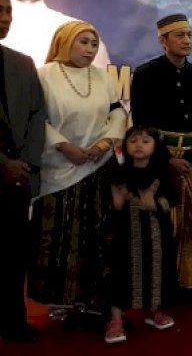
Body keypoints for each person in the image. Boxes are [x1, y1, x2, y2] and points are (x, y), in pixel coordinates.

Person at [28, 20, 126, 320]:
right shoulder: (44, 76)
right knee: (58, 235)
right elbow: (36, 119)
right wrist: (63, 146)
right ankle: (58, 300)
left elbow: (118, 112)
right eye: (83, 42)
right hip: (58, 168)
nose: (90, 49)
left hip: (98, 164)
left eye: (93, 44)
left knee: (96, 236)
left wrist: (105, 142)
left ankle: (90, 298)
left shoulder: (102, 77)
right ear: (64, 42)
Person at [130, 13, 192, 294]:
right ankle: (162, 286)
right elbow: (141, 123)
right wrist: (167, 160)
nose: (186, 41)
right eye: (179, 35)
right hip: (159, 161)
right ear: (163, 41)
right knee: (162, 225)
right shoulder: (146, 74)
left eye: (189, 35)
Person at [0, 0, 45, 343]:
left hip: (16, 179)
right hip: (4, 168)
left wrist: (24, 162)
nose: (5, 17)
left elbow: (37, 116)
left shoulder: (22, 63)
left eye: (8, 11)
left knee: (13, 256)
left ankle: (13, 322)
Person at [104, 126, 176, 344]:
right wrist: (117, 200)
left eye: (145, 141)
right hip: (126, 235)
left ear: (155, 146)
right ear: (125, 145)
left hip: (156, 235)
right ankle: (116, 320)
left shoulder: (162, 172)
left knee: (158, 270)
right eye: (133, 141)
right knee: (120, 271)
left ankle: (155, 311)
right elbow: (114, 205)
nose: (139, 145)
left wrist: (154, 203)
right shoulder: (119, 172)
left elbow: (171, 198)